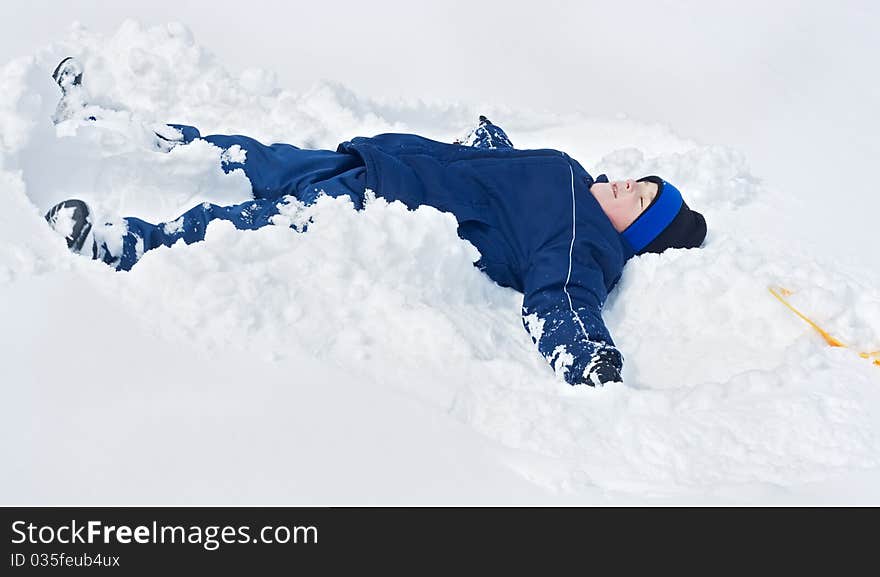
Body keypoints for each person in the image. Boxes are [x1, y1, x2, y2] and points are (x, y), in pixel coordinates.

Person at [45, 58, 707, 388]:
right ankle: (102, 124)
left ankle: (119, 242)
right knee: (242, 150)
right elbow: (505, 173)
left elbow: (560, 297)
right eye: (641, 180)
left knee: (241, 223)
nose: (628, 186)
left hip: (381, 209)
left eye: (641, 201)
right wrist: (489, 143)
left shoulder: (581, 241)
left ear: (633, 235)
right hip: (372, 163)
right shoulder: (569, 173)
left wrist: (585, 356)